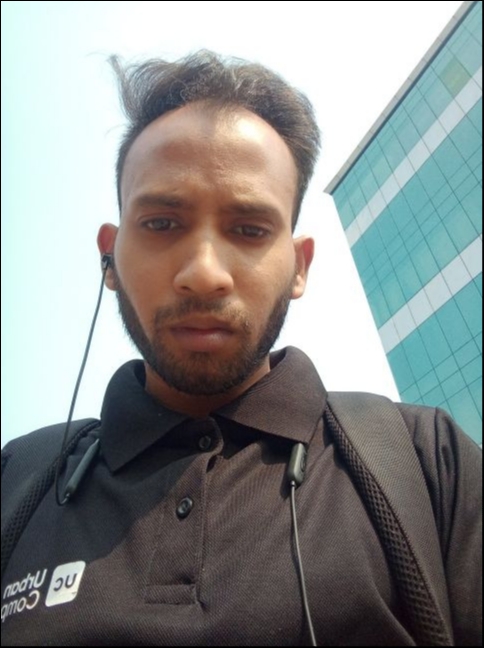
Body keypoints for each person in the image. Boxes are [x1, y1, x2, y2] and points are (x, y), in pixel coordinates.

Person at [1, 50, 481, 647]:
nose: (204, 274)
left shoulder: (426, 458)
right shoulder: (16, 479)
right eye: (161, 223)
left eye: (250, 229)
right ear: (111, 258)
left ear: (300, 266)